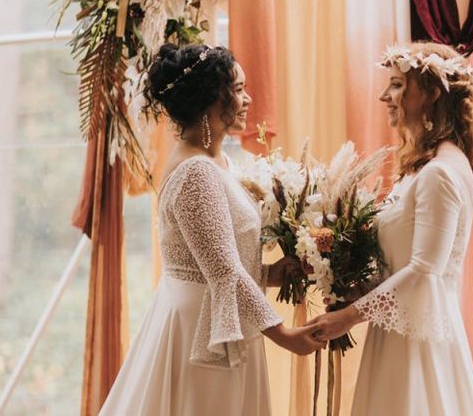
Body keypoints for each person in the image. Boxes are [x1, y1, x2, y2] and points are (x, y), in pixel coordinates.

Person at [99, 43, 324, 416]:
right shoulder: (197, 173)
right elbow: (223, 271)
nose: (247, 99)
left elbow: (216, 259)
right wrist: (283, 335)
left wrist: (270, 274)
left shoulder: (215, 160)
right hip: (201, 331)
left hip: (221, 317)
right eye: (237, 89)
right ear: (210, 99)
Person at [306, 42, 473, 416]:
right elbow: (405, 262)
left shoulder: (440, 172)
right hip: (398, 333)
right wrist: (357, 288)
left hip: (417, 348)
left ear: (431, 94)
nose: (383, 96)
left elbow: (424, 271)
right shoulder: (425, 168)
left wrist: (348, 317)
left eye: (395, 84)